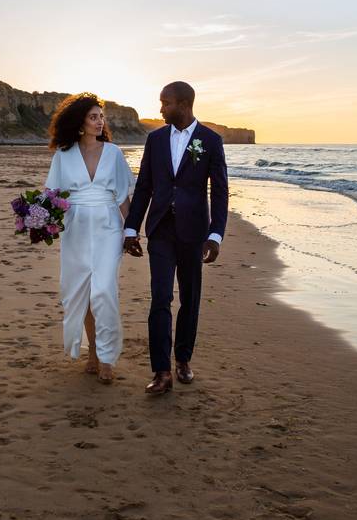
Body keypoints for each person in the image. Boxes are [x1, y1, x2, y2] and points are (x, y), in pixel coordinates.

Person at [123, 81, 228, 394]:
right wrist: (131, 228)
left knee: (190, 298)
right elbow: (144, 187)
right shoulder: (154, 139)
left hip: (195, 232)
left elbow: (220, 191)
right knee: (160, 297)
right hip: (160, 230)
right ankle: (162, 371)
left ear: (183, 104)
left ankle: (183, 359)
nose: (160, 109)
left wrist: (215, 234)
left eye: (164, 103)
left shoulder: (211, 140)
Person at [44, 93, 134, 383]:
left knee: (104, 291)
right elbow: (52, 195)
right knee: (81, 292)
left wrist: (131, 230)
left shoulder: (114, 153)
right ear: (80, 121)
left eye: (101, 117)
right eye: (93, 116)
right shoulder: (63, 155)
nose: (99, 121)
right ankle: (93, 353)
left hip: (108, 226)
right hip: (76, 228)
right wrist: (40, 221)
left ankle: (107, 358)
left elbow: (122, 196)